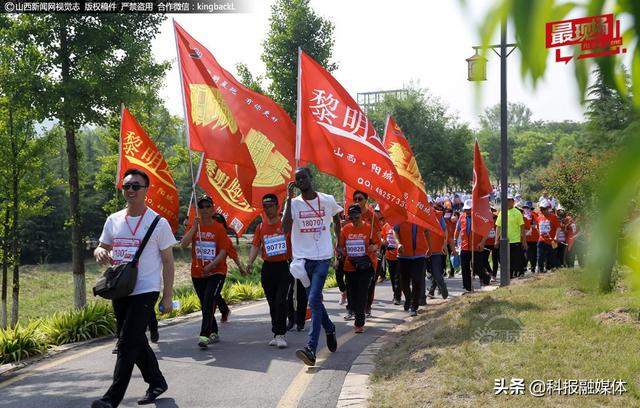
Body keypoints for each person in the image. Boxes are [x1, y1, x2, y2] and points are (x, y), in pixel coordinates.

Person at [92, 169, 176, 408]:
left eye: (136, 186)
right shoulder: (114, 219)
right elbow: (102, 245)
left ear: (146, 190)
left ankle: (111, 399)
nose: (130, 190)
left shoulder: (158, 223)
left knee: (127, 343)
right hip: (120, 288)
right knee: (134, 338)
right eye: (126, 186)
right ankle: (157, 381)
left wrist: (167, 297)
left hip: (146, 289)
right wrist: (99, 251)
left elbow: (169, 262)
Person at [283, 167, 340, 366]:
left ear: (310, 178)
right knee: (315, 302)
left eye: (303, 177)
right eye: (297, 179)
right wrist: (288, 199)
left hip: (323, 257)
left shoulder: (327, 199)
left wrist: (339, 242)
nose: (300, 181)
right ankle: (330, 328)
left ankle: (311, 349)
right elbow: (285, 228)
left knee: (314, 299)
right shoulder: (294, 203)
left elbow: (337, 218)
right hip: (302, 261)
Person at [180, 195, 234, 349]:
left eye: (207, 207)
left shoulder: (218, 228)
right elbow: (183, 244)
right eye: (201, 207)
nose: (204, 210)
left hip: (216, 272)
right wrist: (193, 228)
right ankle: (214, 331)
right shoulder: (194, 226)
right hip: (197, 273)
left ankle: (204, 334)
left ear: (213, 209)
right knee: (205, 304)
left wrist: (210, 267)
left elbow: (223, 252)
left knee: (210, 299)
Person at [247, 194, 293, 348]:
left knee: (281, 301)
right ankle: (276, 332)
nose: (268, 209)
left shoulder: (285, 225)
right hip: (268, 268)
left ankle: (281, 334)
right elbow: (255, 246)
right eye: (265, 206)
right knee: (272, 302)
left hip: (283, 267)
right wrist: (250, 262)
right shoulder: (260, 227)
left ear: (277, 206)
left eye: (270, 206)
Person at [338, 204, 380, 332]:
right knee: (352, 294)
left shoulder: (369, 228)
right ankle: (356, 312)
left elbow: (378, 242)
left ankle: (359, 323)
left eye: (356, 216)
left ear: (360, 215)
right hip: (350, 266)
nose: (354, 219)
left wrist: (374, 247)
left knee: (362, 293)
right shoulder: (345, 230)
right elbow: (340, 247)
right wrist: (341, 253)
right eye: (351, 217)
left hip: (366, 265)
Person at [394, 221, 428, 316]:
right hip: (403, 256)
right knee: (404, 282)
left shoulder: (421, 217)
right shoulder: (400, 218)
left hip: (419, 255)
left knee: (417, 281)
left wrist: (429, 247)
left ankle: (414, 306)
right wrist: (398, 244)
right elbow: (395, 231)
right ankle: (408, 299)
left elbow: (426, 232)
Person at [455, 199, 488, 292]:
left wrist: (482, 242)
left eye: (469, 209)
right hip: (464, 247)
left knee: (478, 267)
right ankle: (468, 287)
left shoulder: (479, 217)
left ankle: (485, 277)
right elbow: (457, 230)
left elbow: (485, 232)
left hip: (476, 247)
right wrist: (455, 240)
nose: (467, 211)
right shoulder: (461, 217)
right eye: (466, 210)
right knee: (465, 268)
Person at [495, 195, 526, 278]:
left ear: (513, 202)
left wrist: (524, 241)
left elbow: (522, 227)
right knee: (504, 259)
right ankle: (509, 275)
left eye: (509, 200)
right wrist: (496, 240)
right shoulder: (502, 212)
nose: (508, 202)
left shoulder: (517, 212)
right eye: (506, 200)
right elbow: (498, 227)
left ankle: (514, 274)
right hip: (504, 241)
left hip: (515, 240)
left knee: (515, 259)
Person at [426, 213, 449, 300]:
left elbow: (445, 230)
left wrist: (444, 244)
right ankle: (427, 293)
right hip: (421, 251)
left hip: (436, 249)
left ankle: (442, 290)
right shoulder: (416, 213)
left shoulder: (438, 216)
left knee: (436, 273)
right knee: (428, 274)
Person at [537, 198, 560, 273]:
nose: (542, 211)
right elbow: (538, 228)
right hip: (541, 240)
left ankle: (555, 269)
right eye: (541, 209)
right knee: (540, 256)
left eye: (544, 209)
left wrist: (556, 236)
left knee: (552, 257)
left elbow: (558, 228)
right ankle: (540, 270)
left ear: (548, 208)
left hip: (552, 241)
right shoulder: (539, 217)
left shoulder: (553, 217)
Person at [381, 217, 401, 305]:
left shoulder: (400, 225)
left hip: (399, 256)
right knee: (393, 277)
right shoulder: (385, 226)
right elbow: (382, 238)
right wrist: (383, 242)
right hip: (389, 256)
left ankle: (397, 296)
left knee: (398, 277)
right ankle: (395, 293)